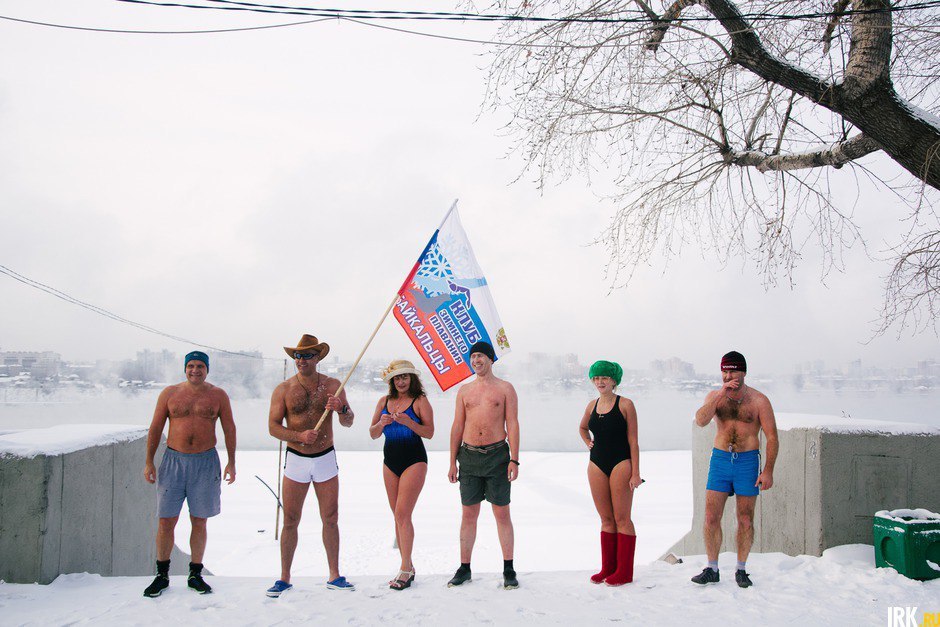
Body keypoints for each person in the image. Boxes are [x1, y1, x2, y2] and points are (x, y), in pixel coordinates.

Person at [265, 334, 356, 597]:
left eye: (306, 355)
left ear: (317, 357)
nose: (301, 360)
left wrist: (341, 409)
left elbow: (348, 421)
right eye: (297, 355)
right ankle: (284, 577)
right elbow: (272, 427)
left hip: (325, 456)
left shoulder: (333, 386)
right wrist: (299, 436)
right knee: (291, 519)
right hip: (296, 459)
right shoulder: (283, 389)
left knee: (330, 518)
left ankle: (335, 575)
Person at [142, 350, 236, 598]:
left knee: (199, 520)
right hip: (174, 461)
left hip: (205, 462)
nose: (195, 370)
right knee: (166, 520)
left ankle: (195, 573)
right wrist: (149, 462)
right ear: (185, 369)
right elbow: (156, 427)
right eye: (191, 366)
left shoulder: (218, 395)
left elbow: (229, 428)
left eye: (200, 367)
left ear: (207, 370)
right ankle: (162, 574)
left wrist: (232, 462)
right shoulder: (170, 394)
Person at [691, 350, 778, 588]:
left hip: (747, 462)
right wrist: (720, 395)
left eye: (733, 371)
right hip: (720, 460)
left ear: (743, 372)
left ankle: (741, 569)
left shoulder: (759, 400)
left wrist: (768, 470)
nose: (729, 376)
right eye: (725, 371)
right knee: (710, 516)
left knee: (745, 519)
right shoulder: (715, 396)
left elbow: (772, 437)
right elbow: (700, 420)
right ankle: (712, 568)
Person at [447, 340, 521, 590]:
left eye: (481, 356)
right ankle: (464, 567)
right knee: (469, 514)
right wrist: (452, 462)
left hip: (497, 456)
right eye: (473, 357)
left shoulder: (505, 389)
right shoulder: (465, 391)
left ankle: (508, 568)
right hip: (468, 456)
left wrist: (514, 459)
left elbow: (513, 424)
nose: (476, 360)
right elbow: (457, 426)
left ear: (491, 359)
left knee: (502, 512)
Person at [368, 359, 435, 590]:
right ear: (391, 381)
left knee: (403, 513)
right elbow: (373, 433)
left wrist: (409, 423)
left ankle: (405, 570)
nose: (401, 381)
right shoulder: (384, 401)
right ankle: (408, 565)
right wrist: (381, 423)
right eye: (397, 377)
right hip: (390, 461)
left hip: (414, 460)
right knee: (397, 515)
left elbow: (429, 432)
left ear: (412, 379)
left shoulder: (419, 401)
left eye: (405, 377)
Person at [578, 360, 641, 586]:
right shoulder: (591, 405)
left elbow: (633, 441)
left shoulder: (625, 404)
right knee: (605, 519)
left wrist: (636, 472)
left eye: (604, 377)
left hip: (621, 463)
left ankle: (624, 571)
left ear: (614, 380)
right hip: (596, 463)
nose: (600, 382)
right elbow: (582, 427)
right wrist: (587, 441)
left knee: (622, 518)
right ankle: (608, 568)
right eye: (596, 378)